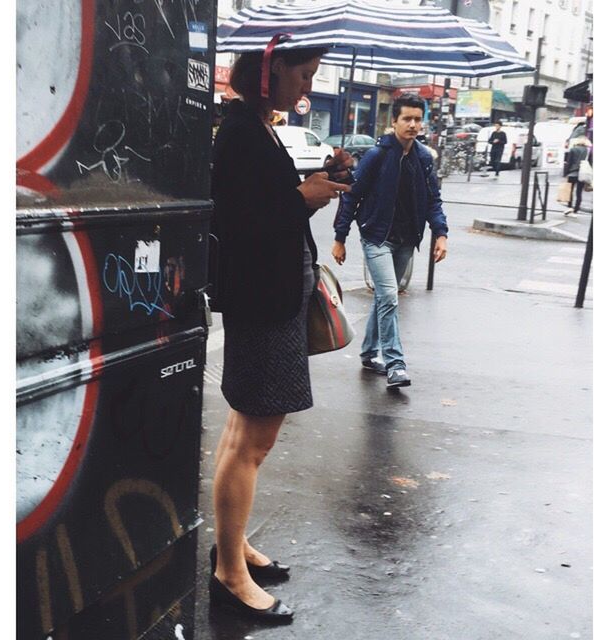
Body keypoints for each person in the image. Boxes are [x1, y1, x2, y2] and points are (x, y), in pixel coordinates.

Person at [210, 45, 352, 623]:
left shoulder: (256, 128)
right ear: (270, 73)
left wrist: (321, 183)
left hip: (270, 299)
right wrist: (303, 196)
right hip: (263, 303)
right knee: (254, 442)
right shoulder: (241, 133)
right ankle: (228, 573)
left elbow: (266, 207)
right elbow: (240, 224)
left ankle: (231, 542)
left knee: (243, 430)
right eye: (304, 75)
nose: (308, 87)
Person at [331, 93, 448, 389]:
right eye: (406, 119)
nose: (412, 125)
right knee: (389, 296)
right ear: (393, 121)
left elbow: (433, 199)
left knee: (385, 298)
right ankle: (395, 363)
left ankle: (370, 353)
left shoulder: (423, 158)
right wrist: (340, 237)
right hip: (377, 237)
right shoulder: (376, 156)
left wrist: (441, 233)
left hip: (406, 239)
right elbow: (351, 196)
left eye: (417, 119)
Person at [563, 135, 591, 216]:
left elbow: (569, 162)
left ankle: (569, 207)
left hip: (572, 173)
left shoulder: (573, 149)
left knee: (570, 191)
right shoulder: (587, 151)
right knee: (579, 192)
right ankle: (576, 209)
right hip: (583, 174)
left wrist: (565, 173)